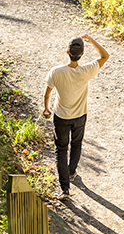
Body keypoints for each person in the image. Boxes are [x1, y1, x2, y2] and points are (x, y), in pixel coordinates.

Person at [43, 34, 109, 199]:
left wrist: (46, 108)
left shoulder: (56, 71)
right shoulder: (87, 71)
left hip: (61, 117)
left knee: (61, 150)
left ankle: (65, 188)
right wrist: (92, 41)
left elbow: (47, 92)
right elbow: (104, 56)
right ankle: (72, 172)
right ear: (82, 54)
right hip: (80, 116)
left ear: (67, 52)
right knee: (76, 144)